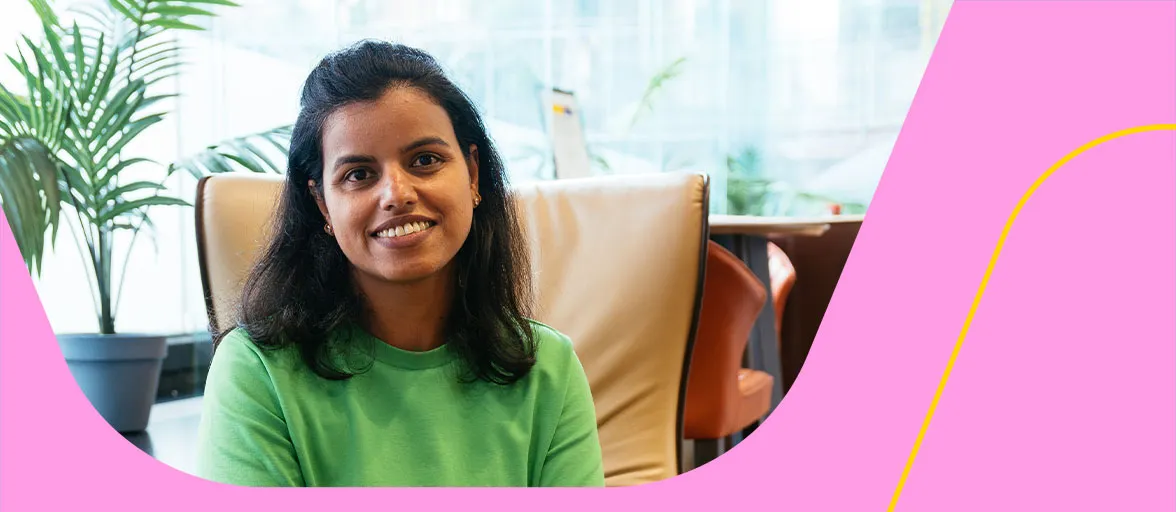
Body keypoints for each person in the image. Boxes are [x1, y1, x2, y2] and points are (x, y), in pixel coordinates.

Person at [195, 40, 605, 487]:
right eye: (358, 174)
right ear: (322, 205)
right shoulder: (257, 371)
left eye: (425, 161)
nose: (397, 194)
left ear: (472, 174)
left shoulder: (549, 367)